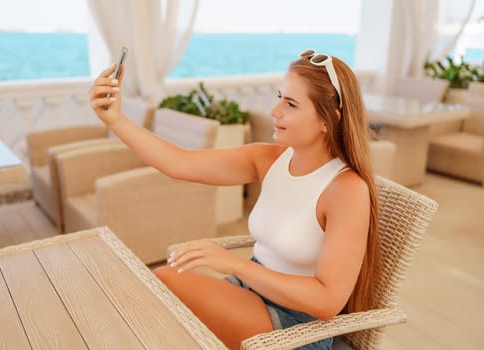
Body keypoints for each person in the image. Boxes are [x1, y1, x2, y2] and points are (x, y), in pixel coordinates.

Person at [89, 48, 380, 350]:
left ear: (328, 120)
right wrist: (116, 120)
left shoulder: (346, 190)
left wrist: (235, 265)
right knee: (159, 299)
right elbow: (179, 163)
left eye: (291, 104)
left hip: (295, 325)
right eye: (279, 96)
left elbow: (327, 301)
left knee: (164, 283)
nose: (275, 110)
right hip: (251, 293)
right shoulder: (270, 159)